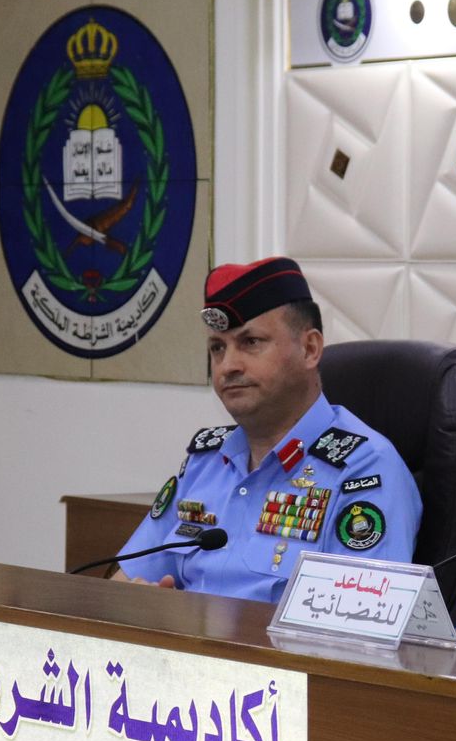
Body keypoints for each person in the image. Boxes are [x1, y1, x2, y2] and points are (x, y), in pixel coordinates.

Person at [114, 256, 422, 602]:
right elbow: (122, 585)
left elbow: (357, 620)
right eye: (218, 348)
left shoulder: (364, 470)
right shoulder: (205, 463)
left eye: (251, 342)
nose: (228, 366)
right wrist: (140, 604)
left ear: (310, 349)